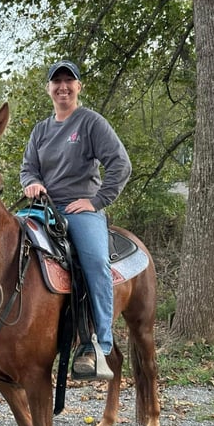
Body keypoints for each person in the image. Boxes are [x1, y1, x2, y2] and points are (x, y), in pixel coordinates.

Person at [20, 60, 132, 380]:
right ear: (49, 89)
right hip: (43, 208)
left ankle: (99, 344)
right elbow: (28, 167)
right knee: (8, 241)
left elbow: (120, 165)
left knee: (96, 262)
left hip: (80, 210)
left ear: (78, 87)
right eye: (57, 82)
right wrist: (31, 182)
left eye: (70, 81)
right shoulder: (40, 130)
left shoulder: (90, 122)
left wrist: (96, 201)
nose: (63, 87)